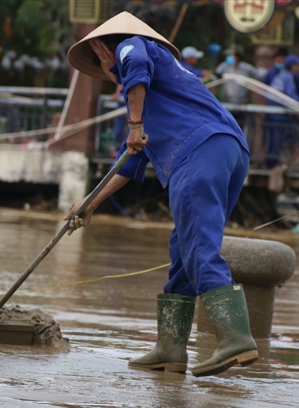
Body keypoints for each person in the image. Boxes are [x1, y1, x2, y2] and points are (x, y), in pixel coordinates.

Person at [65, 12, 258, 377]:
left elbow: (133, 63)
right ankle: (170, 349)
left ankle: (236, 338)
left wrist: (134, 123)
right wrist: (89, 203)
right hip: (228, 151)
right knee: (183, 251)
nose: (106, 71)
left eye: (100, 61)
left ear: (103, 48)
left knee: (199, 245)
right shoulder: (160, 88)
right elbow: (129, 164)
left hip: (197, 151)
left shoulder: (132, 46)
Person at [265, 54, 299, 168]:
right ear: (293, 66)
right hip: (279, 115)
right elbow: (291, 96)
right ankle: (273, 164)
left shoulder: (280, 76)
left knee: (274, 139)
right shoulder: (288, 77)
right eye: (298, 65)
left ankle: (271, 162)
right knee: (277, 140)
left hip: (272, 113)